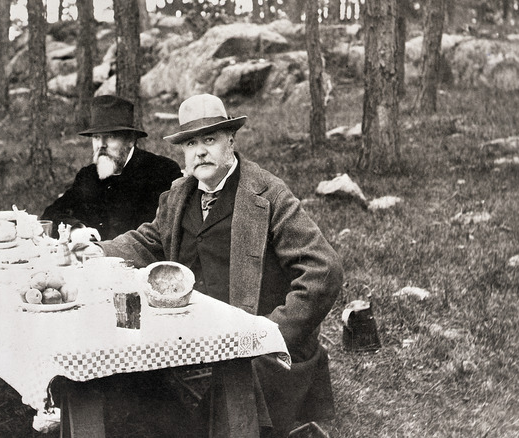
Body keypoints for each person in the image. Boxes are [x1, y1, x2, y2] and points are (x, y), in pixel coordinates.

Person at [92, 94, 343, 437]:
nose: (200, 151)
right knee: (131, 387)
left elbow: (324, 270)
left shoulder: (268, 195)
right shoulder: (180, 193)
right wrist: (95, 251)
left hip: (257, 350)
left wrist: (273, 332)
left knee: (222, 419)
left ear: (231, 141)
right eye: (191, 143)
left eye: (209, 139)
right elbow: (149, 241)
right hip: (193, 337)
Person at [40, 95, 183, 240]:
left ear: (130, 140)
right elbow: (50, 215)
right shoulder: (88, 175)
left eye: (110, 137)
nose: (101, 144)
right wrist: (76, 229)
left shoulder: (161, 171)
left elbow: (160, 234)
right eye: (96, 137)